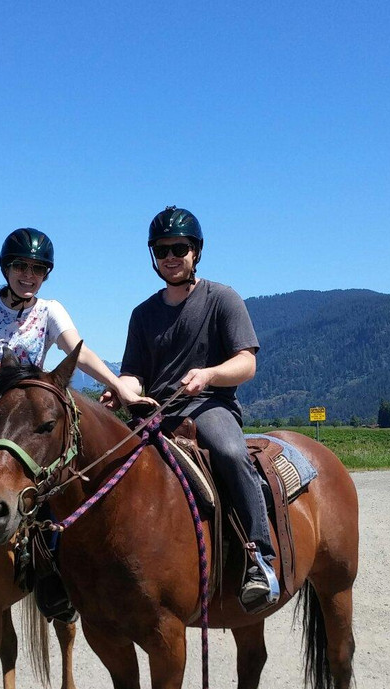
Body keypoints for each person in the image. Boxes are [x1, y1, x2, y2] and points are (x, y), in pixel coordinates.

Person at [101, 206, 280, 613]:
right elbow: (134, 374)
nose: (170, 256)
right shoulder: (142, 314)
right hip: (154, 412)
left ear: (195, 251)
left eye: (179, 248)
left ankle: (260, 558)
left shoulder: (222, 299)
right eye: (162, 249)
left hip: (208, 405)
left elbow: (247, 363)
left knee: (232, 454)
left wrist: (210, 374)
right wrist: (120, 391)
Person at [0, 227, 149, 409]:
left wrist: (121, 389)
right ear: (7, 268)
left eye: (38, 268)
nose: (29, 275)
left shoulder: (49, 311)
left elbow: (81, 354)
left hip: (19, 410)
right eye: (20, 266)